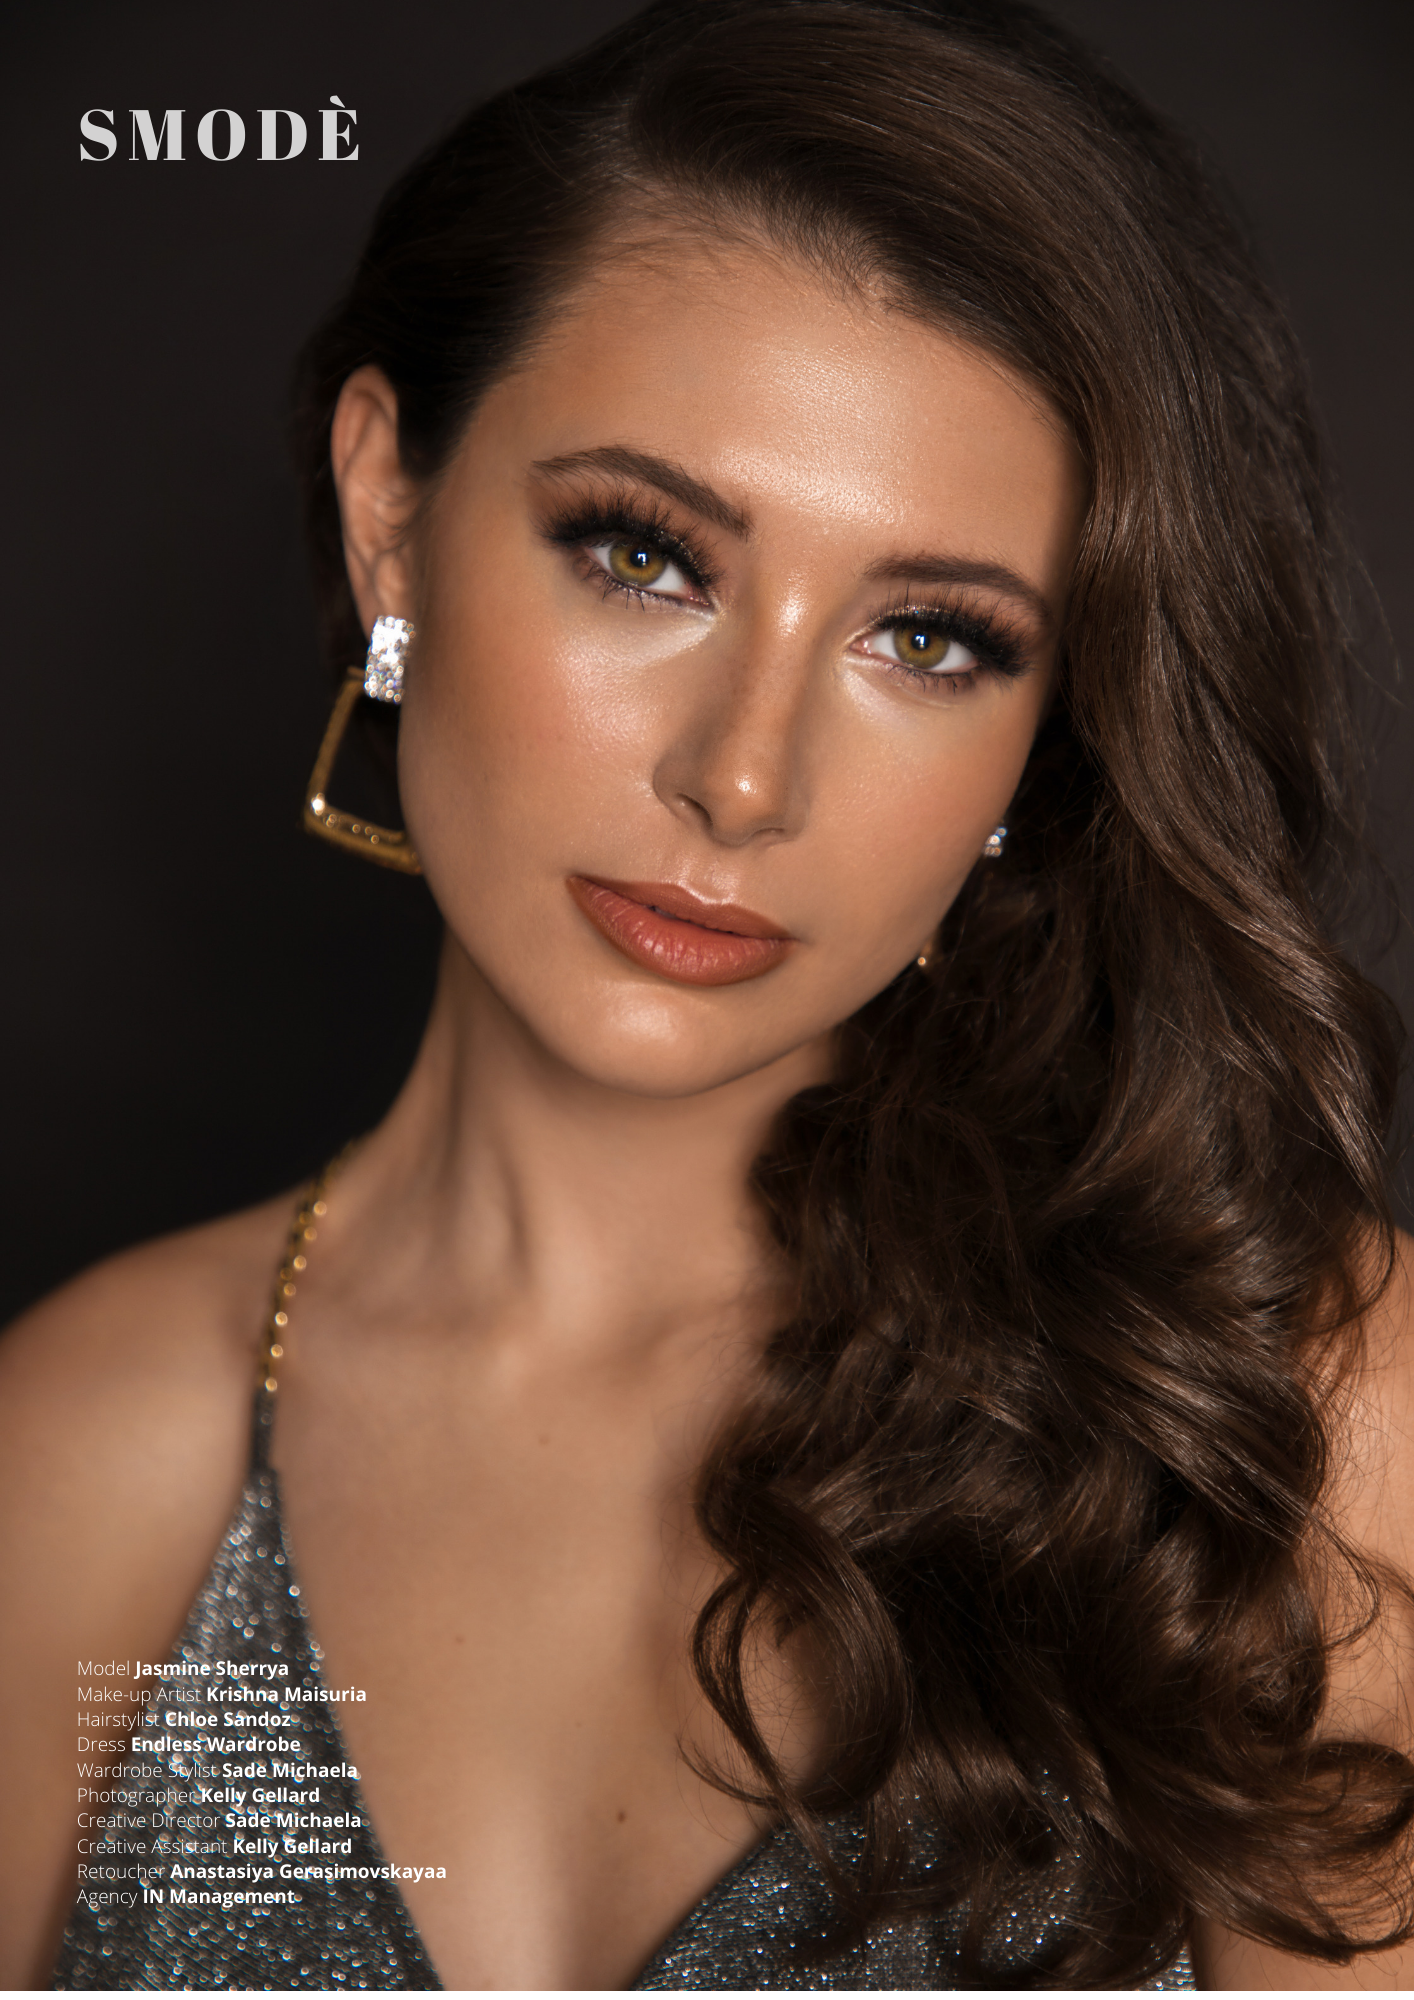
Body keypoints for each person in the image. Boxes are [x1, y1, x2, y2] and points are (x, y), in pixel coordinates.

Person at [3, 0, 1410, 1987]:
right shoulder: (85, 1447)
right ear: (391, 514)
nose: (743, 780)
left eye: (929, 639)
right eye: (643, 555)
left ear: (1045, 736)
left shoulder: (1286, 1427)